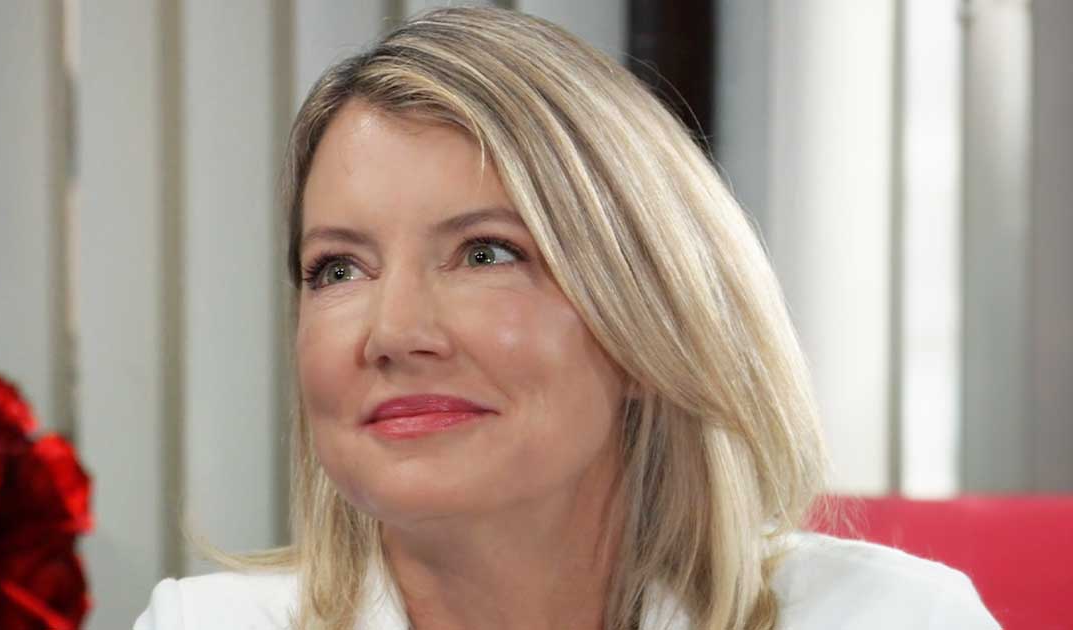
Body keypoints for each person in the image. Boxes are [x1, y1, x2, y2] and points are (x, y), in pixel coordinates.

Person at [134, 7, 999, 630]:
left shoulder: (892, 618)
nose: (392, 333)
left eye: (485, 253)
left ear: (652, 311)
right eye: (339, 268)